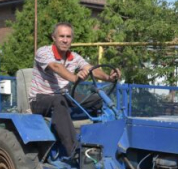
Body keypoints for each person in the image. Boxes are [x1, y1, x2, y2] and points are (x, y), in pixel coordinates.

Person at [29, 22, 120, 157]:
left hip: (64, 96)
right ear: (54, 37)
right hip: (40, 99)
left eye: (68, 36)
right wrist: (74, 78)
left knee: (97, 100)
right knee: (59, 101)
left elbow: (90, 69)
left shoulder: (74, 57)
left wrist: (109, 77)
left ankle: (101, 142)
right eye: (61, 36)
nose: (65, 40)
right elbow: (56, 67)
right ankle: (75, 151)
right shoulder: (43, 52)